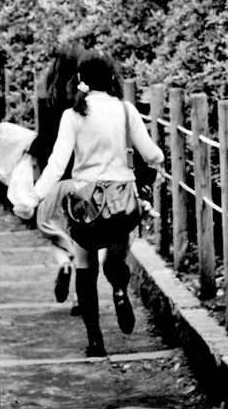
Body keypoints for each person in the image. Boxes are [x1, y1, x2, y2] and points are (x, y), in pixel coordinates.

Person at [29, 50, 164, 357]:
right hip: (121, 200)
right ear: (112, 78)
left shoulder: (73, 114)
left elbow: (56, 163)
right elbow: (151, 153)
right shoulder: (125, 110)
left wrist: (35, 196)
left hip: (85, 204)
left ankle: (95, 342)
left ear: (80, 80)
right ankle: (118, 287)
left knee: (85, 269)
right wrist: (157, 164)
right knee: (115, 259)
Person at [26, 43, 83, 308]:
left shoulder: (45, 90)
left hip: (52, 168)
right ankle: (78, 297)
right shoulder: (83, 95)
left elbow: (43, 133)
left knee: (53, 224)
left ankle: (64, 263)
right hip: (80, 169)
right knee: (80, 228)